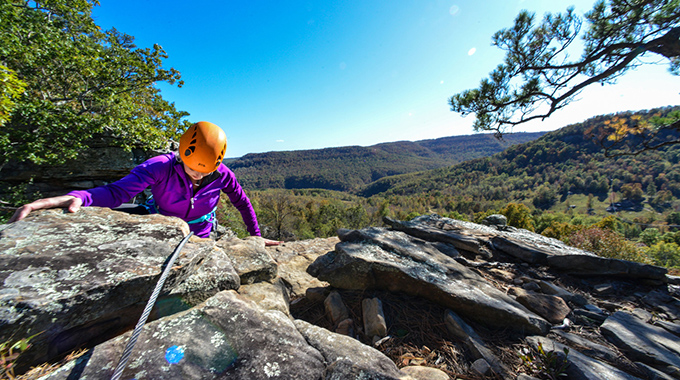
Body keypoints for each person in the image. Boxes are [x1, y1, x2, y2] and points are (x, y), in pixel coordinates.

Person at [9, 121, 281, 246]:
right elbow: (118, 192)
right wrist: (81, 196)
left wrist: (256, 238)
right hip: (162, 223)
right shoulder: (161, 166)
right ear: (181, 153)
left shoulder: (223, 175)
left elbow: (242, 202)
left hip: (200, 231)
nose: (197, 176)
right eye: (191, 169)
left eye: (204, 172)